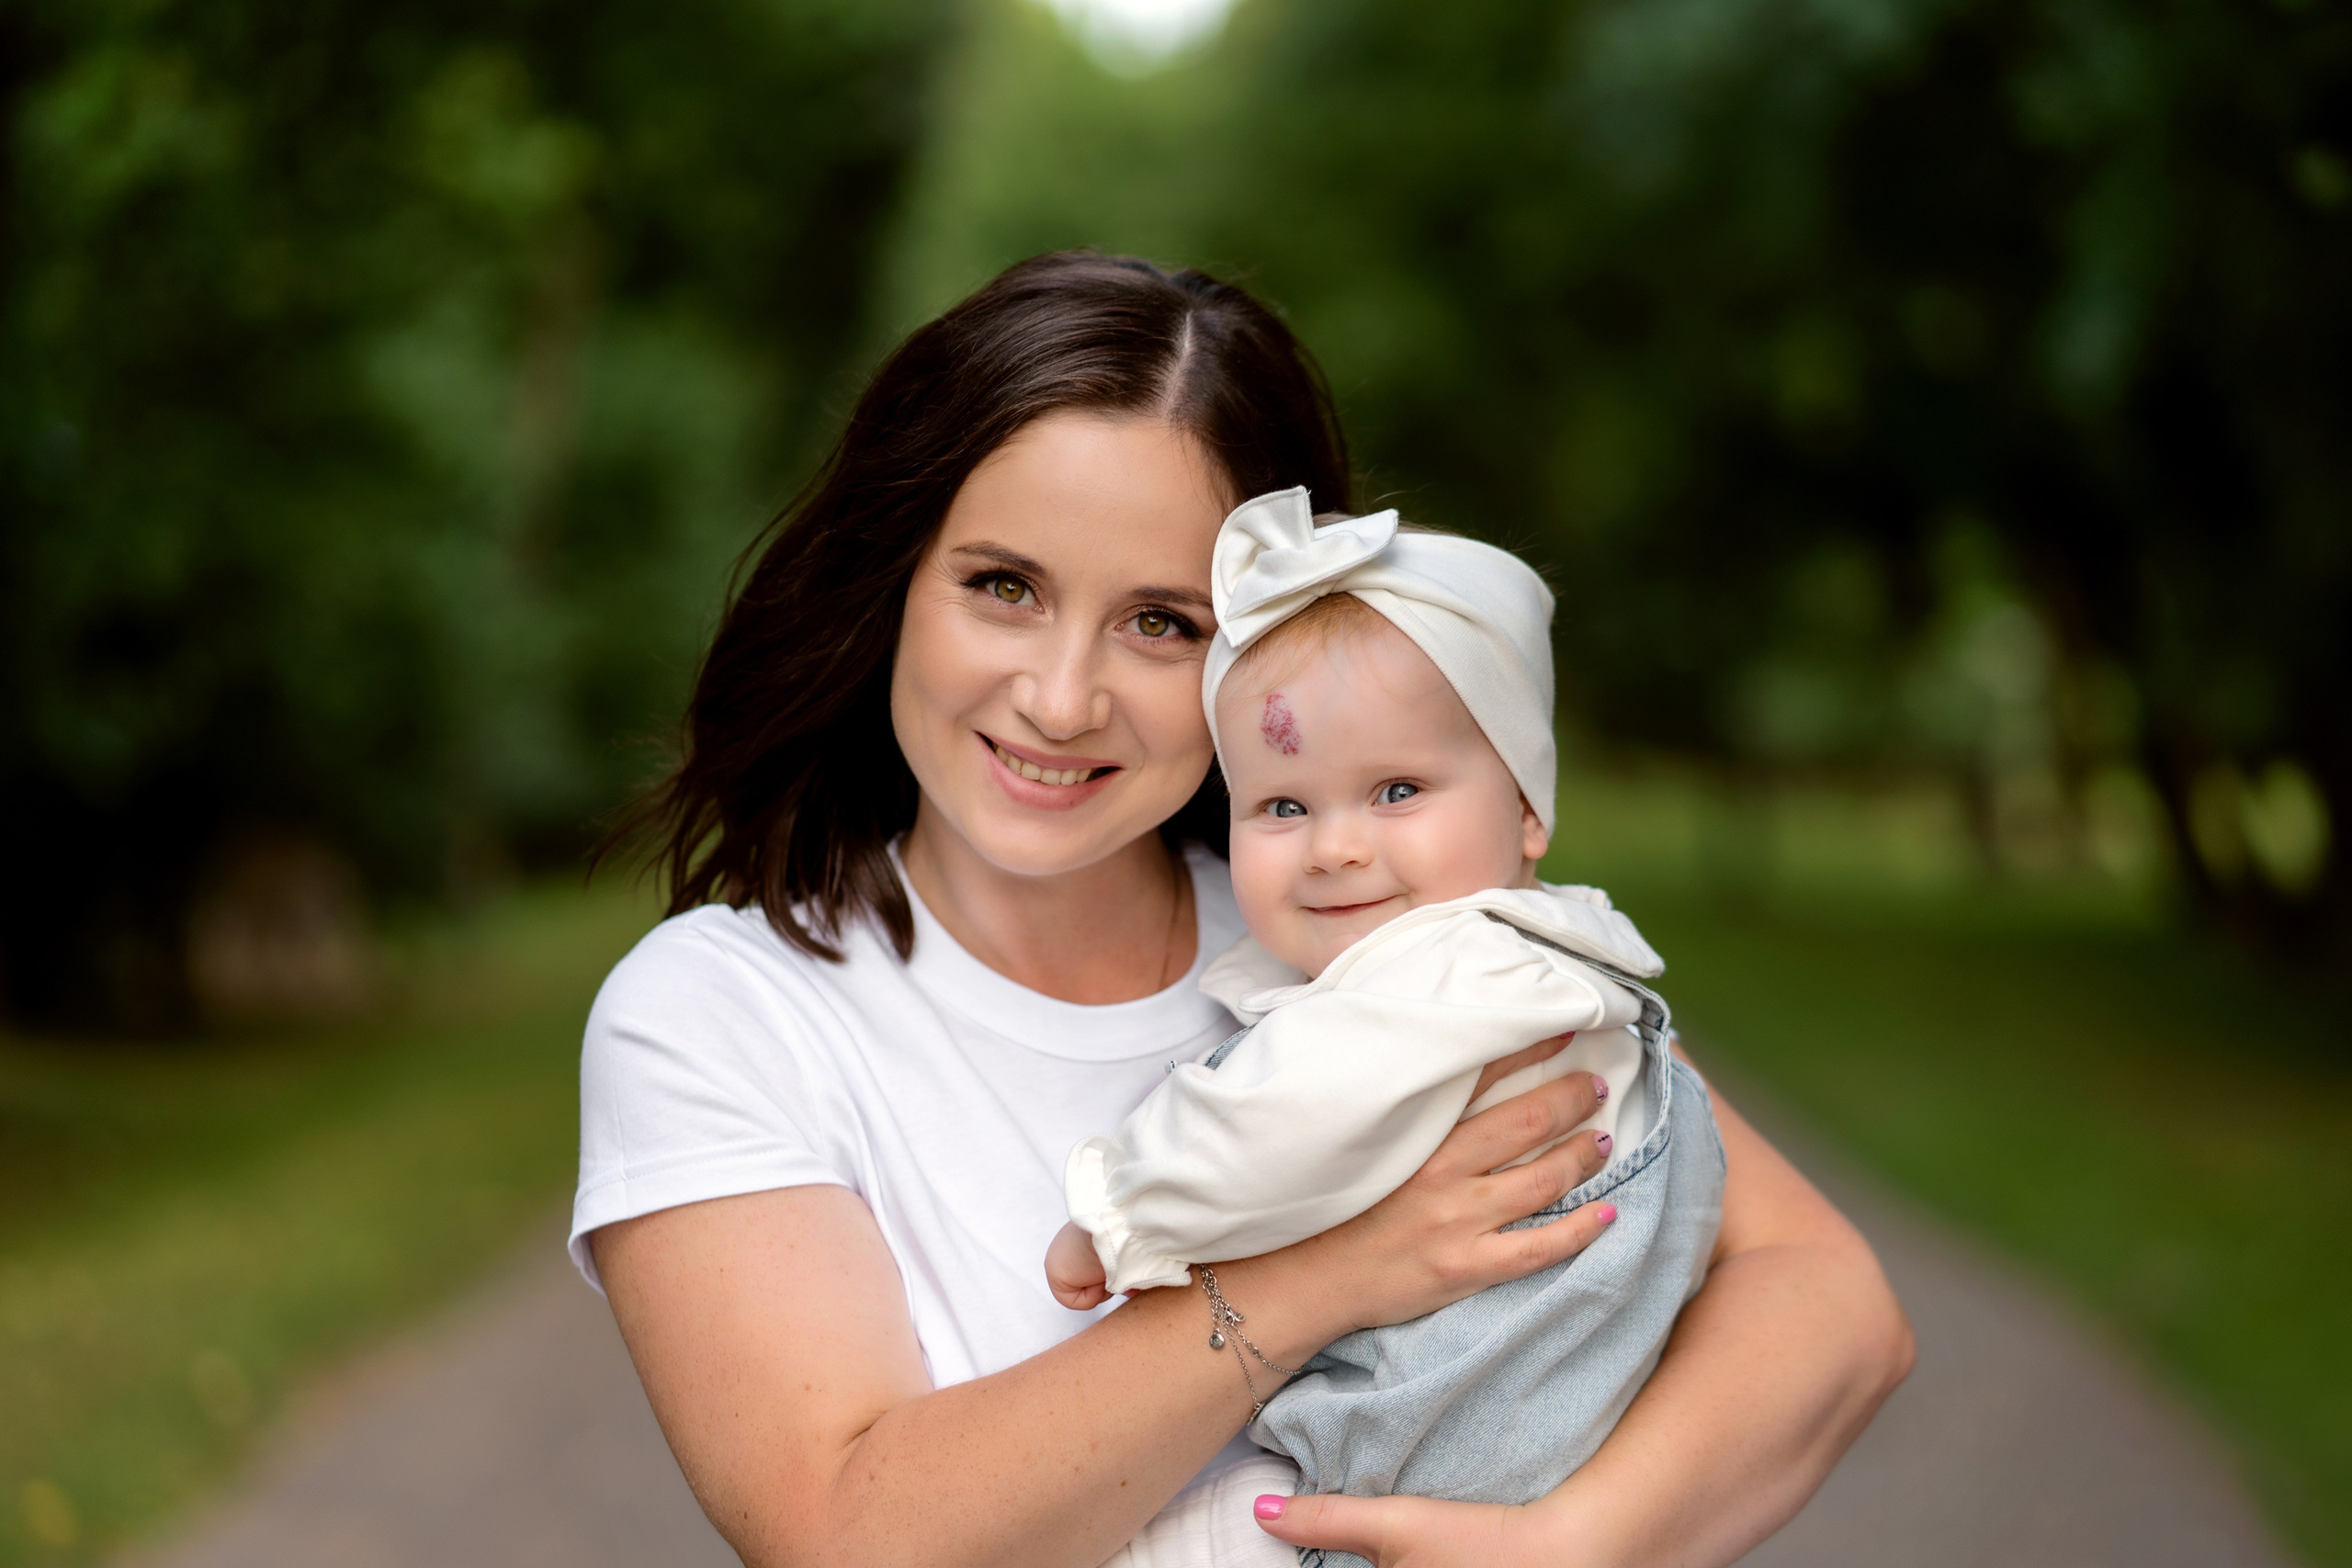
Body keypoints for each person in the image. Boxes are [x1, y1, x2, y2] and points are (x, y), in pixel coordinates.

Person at [573, 251, 1914, 1568]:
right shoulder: (718, 1010)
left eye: (1160, 621)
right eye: (1004, 585)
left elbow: (1835, 1302)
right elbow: (843, 1531)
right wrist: (1336, 1268)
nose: (1061, 695)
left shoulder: (1369, 923)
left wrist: (1582, 1540)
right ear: (894, 583)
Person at [1045, 491, 1723, 1568]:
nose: (1335, 848)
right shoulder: (1569, 952)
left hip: (1415, 1451)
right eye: (1282, 807)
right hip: (1547, 1435)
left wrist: (1120, 1213)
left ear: (1527, 808)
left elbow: (1279, 1117)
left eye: (1397, 790)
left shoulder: (1443, 975)